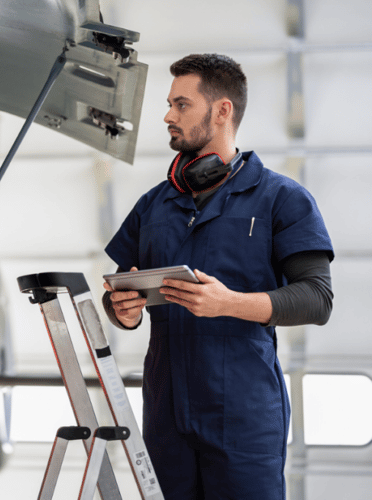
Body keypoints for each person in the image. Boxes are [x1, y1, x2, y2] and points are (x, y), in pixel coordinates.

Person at [102, 54, 334, 500]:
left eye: (182, 105)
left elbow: (316, 299)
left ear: (222, 110)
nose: (168, 116)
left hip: (243, 420)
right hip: (166, 416)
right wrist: (123, 310)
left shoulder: (280, 199)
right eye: (169, 104)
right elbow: (118, 297)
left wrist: (228, 304)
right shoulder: (154, 205)